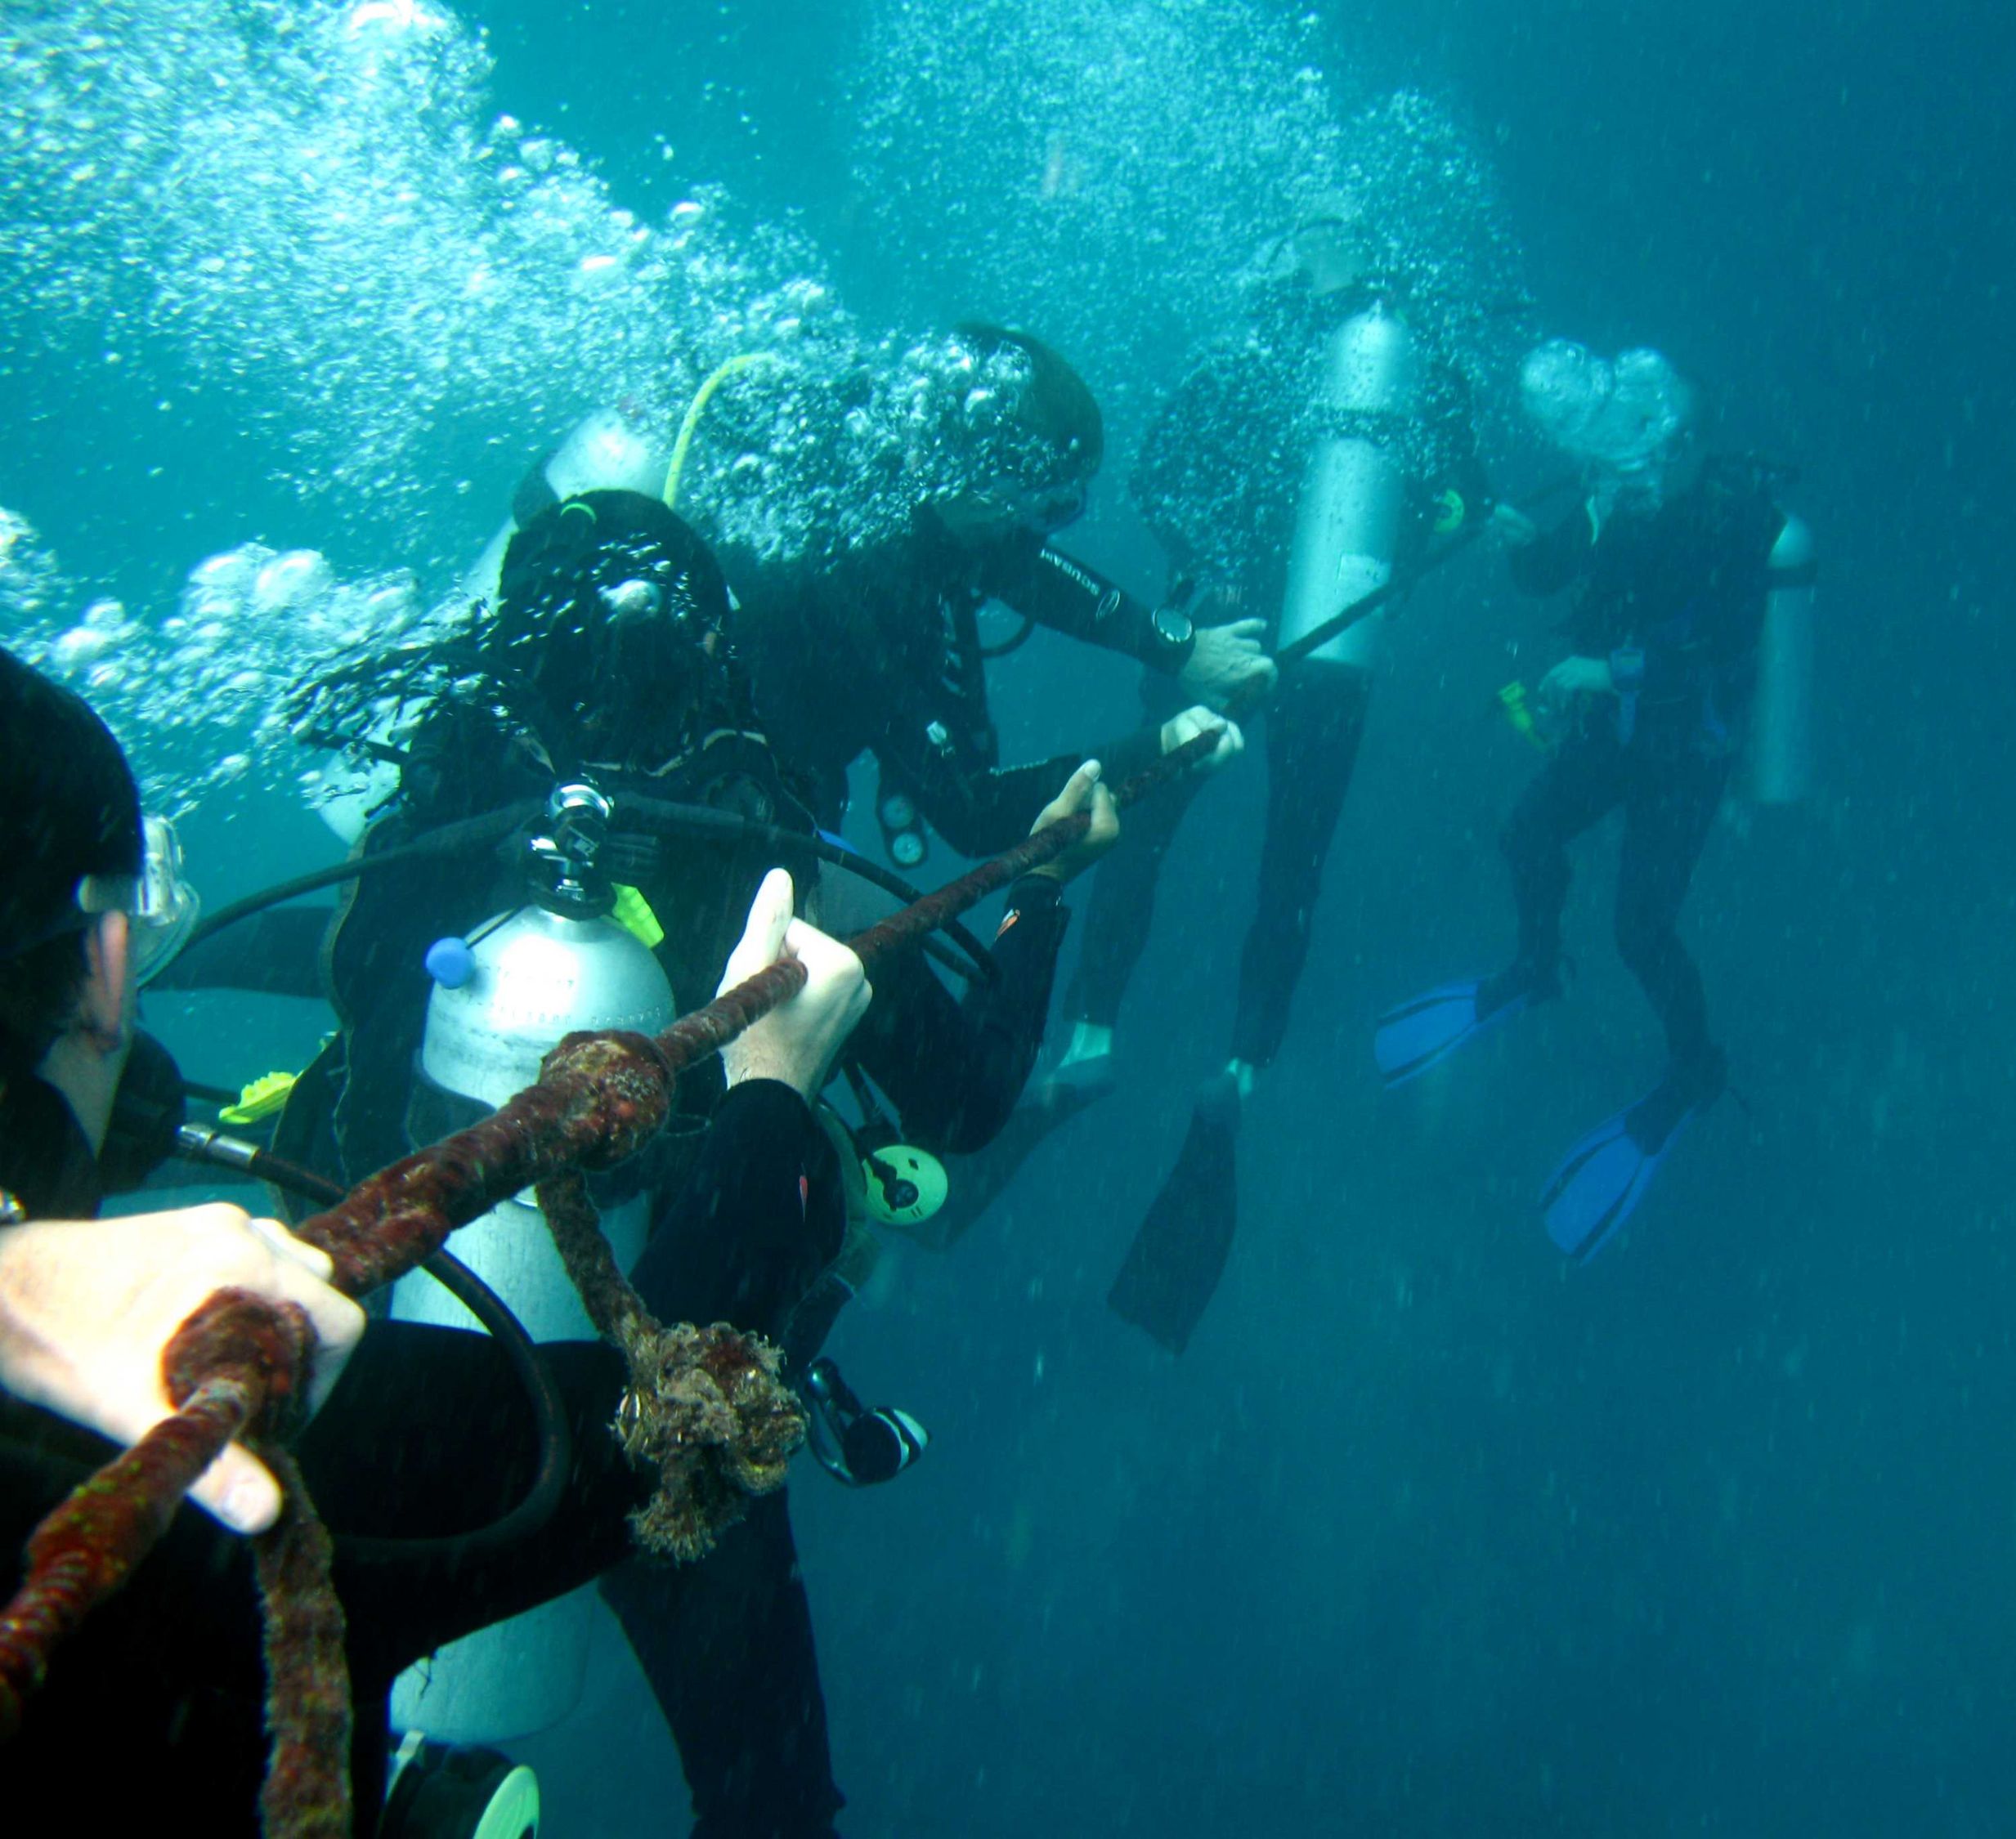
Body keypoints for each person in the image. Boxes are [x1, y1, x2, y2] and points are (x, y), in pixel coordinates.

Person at [267, 487, 1119, 1837]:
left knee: (331, 1716)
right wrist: (1044, 892)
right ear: (716, 657)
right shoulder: (749, 846)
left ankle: (434, 1781)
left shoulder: (438, 821)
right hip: (665, 1389)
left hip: (402, 1386)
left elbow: (347, 1091)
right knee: (772, 1798)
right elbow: (964, 1099)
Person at [0, 642, 880, 1832]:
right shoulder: (193, 1385)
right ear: (105, 971)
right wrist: (773, 1093)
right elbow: (626, 1427)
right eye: (144, 928)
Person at [964, 209, 1490, 1351]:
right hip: (1330, 644)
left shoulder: (1251, 359)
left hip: (1217, 630)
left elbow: (1155, 475)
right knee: (1291, 861)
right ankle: (1239, 1072)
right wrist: (1394, 551)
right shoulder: (1412, 376)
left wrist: (1213, 569)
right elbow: (1467, 502)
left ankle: (1090, 1040)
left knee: (1138, 827)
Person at [1373, 341, 1817, 1264]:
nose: (1637, 464)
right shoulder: (1613, 491)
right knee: (1525, 833)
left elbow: (1728, 651)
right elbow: (1554, 574)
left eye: (1657, 443)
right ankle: (1538, 968)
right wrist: (1525, 544)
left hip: (1687, 750)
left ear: (1689, 442)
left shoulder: (1736, 518)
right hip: (1615, 730)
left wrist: (1606, 666)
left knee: (1640, 931)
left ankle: (1696, 1073)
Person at [711, 321, 1257, 871]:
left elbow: (1030, 574)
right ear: (972, 480)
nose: (1037, 534)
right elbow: (975, 812)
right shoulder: (853, 573)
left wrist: (1177, 649)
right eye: (1047, 508)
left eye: (1063, 508)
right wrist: (1160, 746)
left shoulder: (934, 514)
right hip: (733, 801)